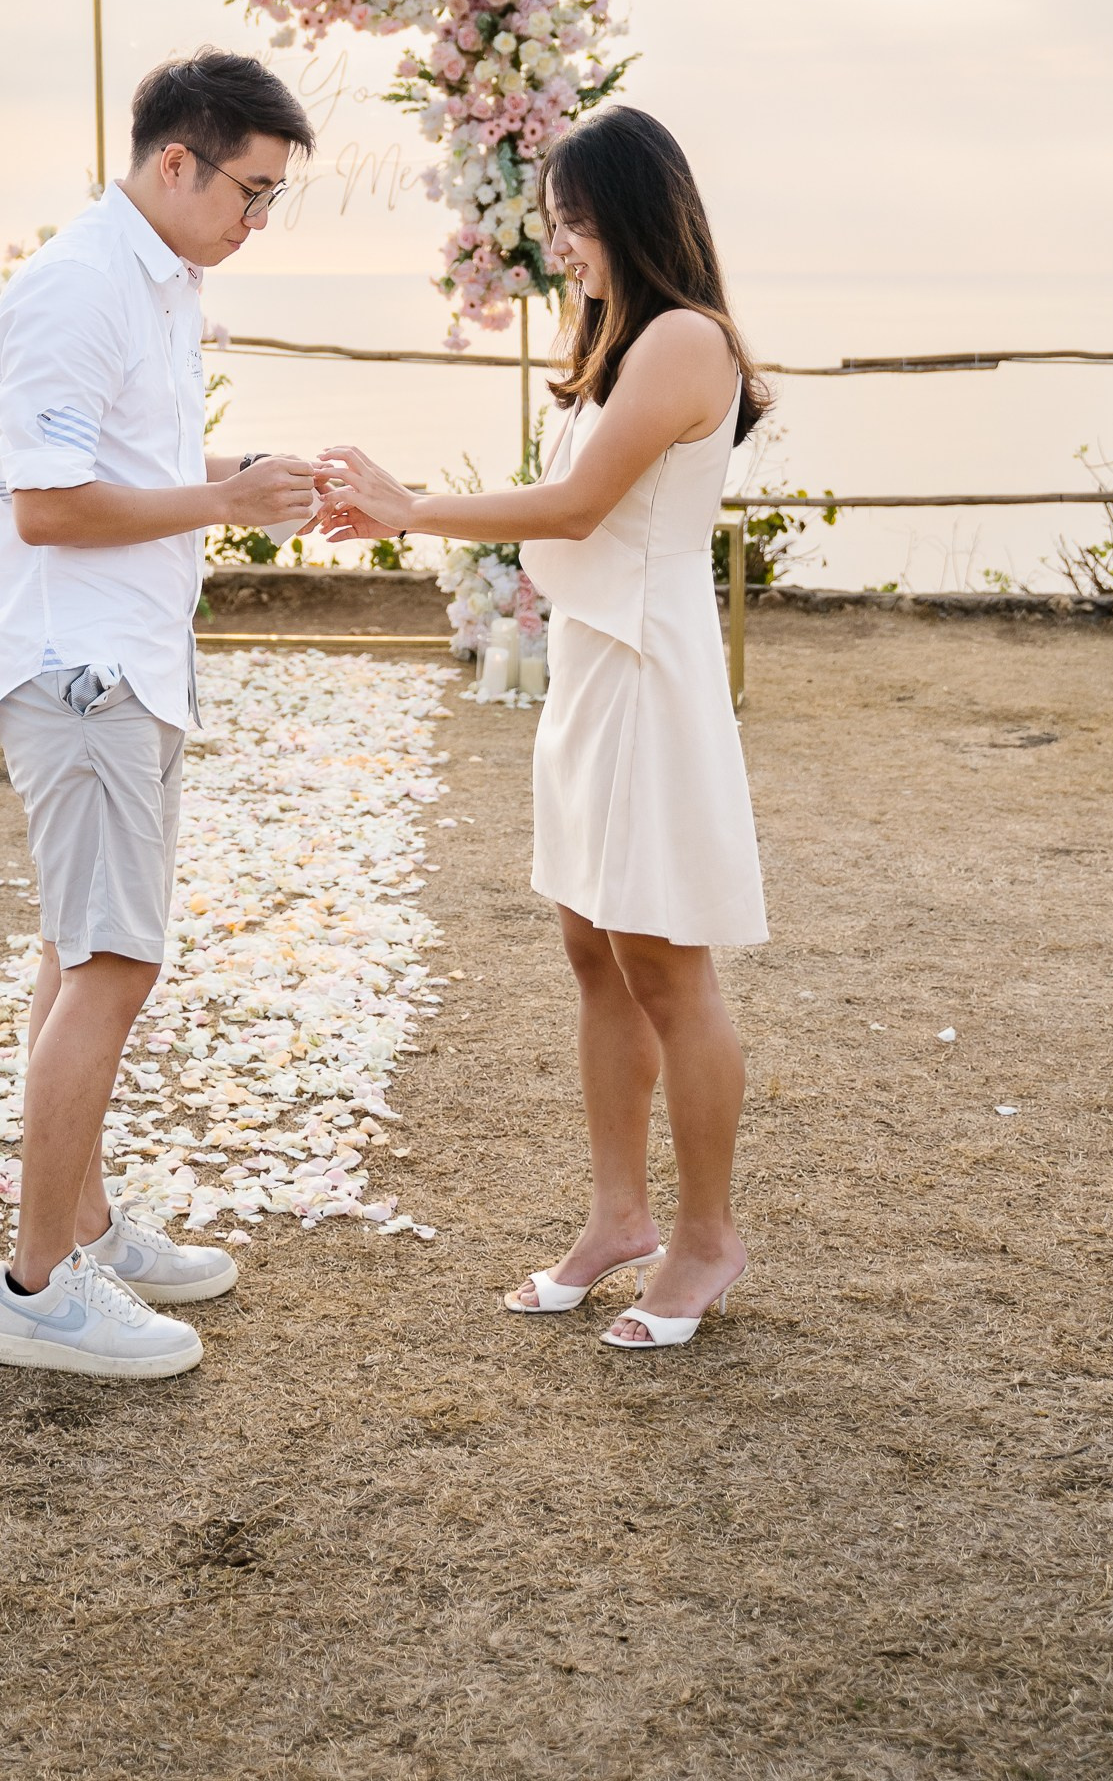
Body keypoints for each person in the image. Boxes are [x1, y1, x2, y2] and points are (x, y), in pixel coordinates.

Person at [317, 103, 769, 1352]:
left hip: (647, 674)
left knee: (666, 964)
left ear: (625, 213)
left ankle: (704, 1237)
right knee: (591, 949)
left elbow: (573, 508)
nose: (556, 244)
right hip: (586, 668)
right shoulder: (612, 337)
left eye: (570, 222)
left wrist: (406, 509)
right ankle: (619, 1216)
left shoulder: (685, 340)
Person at [0, 47, 320, 1379]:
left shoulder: (161, 286)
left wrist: (251, 475)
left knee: (78, 953)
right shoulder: (78, 287)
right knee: (113, 963)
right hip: (80, 670)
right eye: (253, 189)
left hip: (123, 663)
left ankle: (88, 1230)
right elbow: (47, 508)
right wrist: (222, 502)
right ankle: (38, 1289)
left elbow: (136, 472)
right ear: (177, 160)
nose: (258, 220)